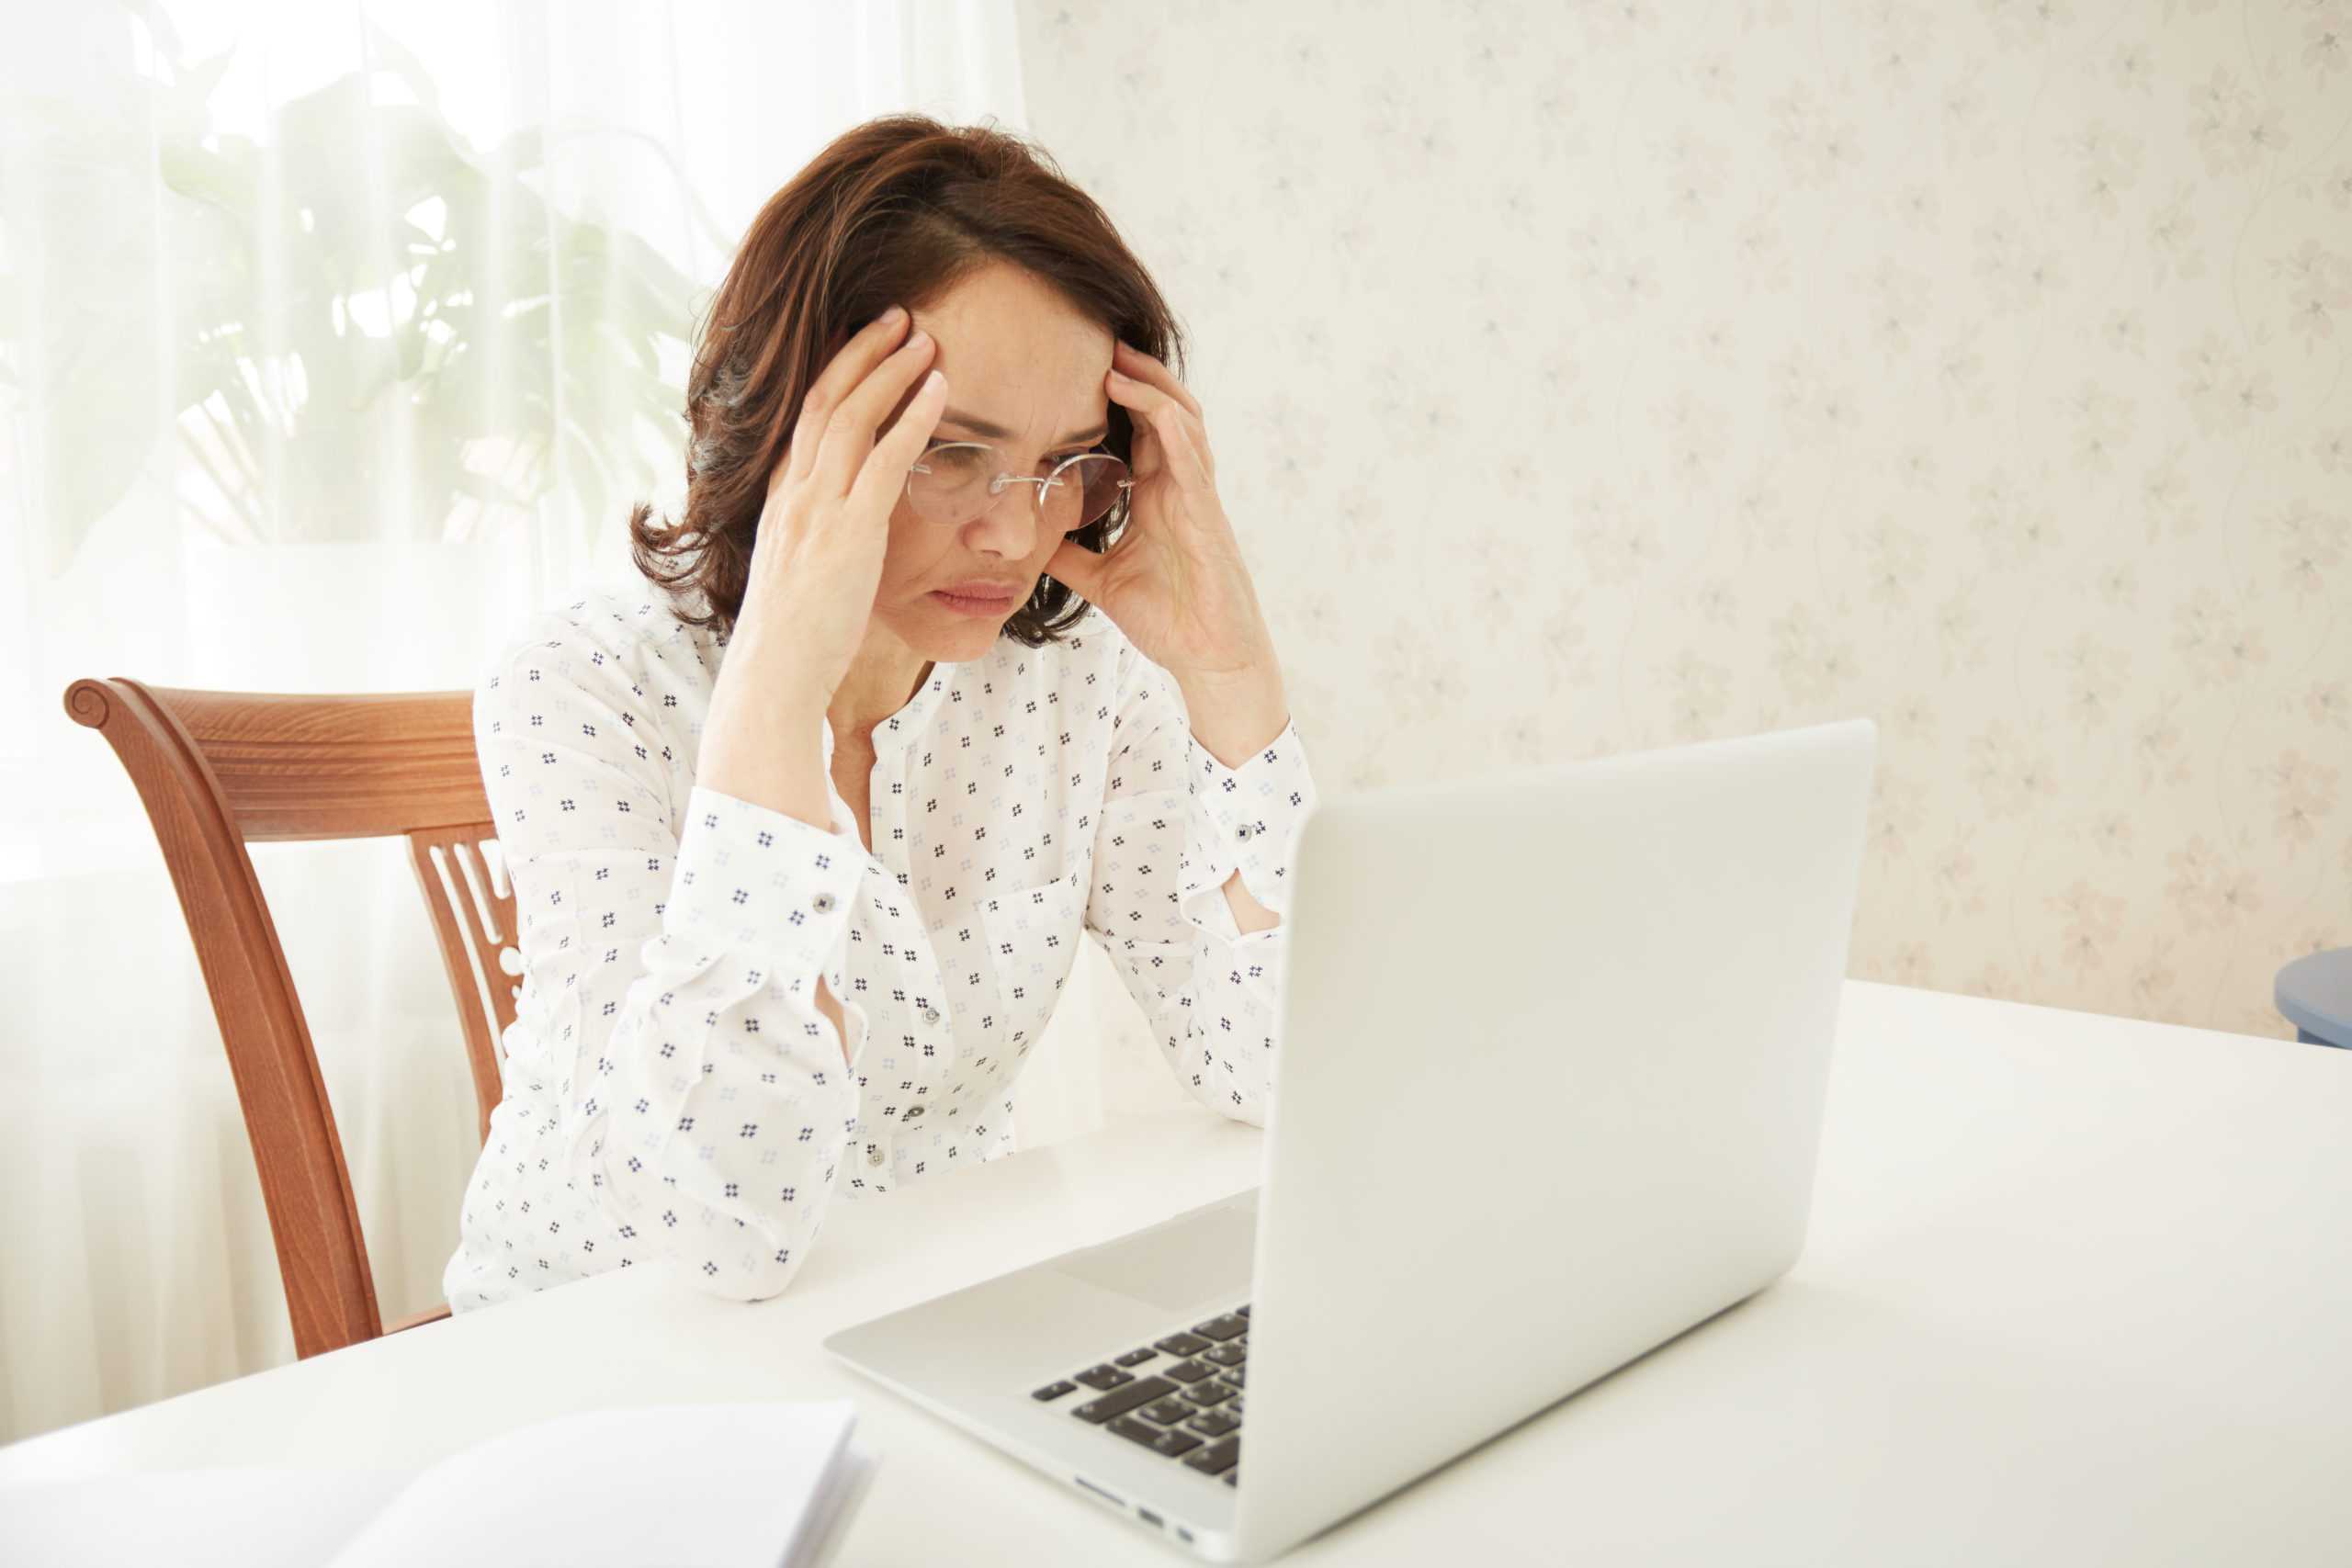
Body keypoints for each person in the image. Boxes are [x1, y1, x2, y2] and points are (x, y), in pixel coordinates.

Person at [441, 114, 1317, 1312]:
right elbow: (715, 1242)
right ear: (795, 424)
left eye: (1069, 461)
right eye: (949, 452)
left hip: (920, 1325)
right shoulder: (585, 688)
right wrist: (777, 688)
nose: (1018, 532)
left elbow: (1272, 1065)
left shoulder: (1075, 688)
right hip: (599, 1355)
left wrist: (1231, 678)